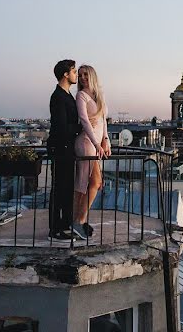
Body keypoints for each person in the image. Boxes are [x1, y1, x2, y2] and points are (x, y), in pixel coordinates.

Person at [72, 64, 111, 239]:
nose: (82, 78)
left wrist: (106, 141)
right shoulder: (81, 95)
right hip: (86, 142)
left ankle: (79, 220)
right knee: (83, 183)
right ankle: (76, 221)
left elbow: (103, 121)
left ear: (93, 76)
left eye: (85, 75)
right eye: (80, 75)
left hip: (95, 144)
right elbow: (84, 120)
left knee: (94, 182)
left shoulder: (98, 96)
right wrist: (96, 144)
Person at [48, 59, 79, 240]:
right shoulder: (58, 96)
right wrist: (81, 128)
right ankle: (55, 228)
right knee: (60, 188)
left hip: (67, 148)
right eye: (74, 71)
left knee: (66, 188)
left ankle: (65, 224)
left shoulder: (66, 95)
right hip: (61, 149)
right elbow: (62, 127)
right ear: (66, 74)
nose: (75, 75)